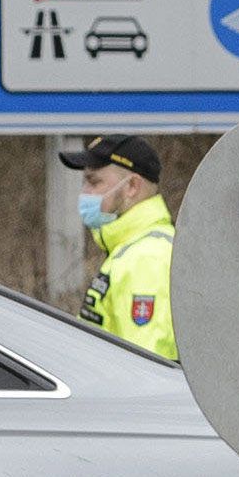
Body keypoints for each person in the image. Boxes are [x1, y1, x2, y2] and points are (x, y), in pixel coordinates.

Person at [60, 133, 176, 362]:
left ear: (132, 186)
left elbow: (148, 366)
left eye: (94, 182)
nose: (84, 193)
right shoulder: (130, 249)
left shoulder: (148, 258)